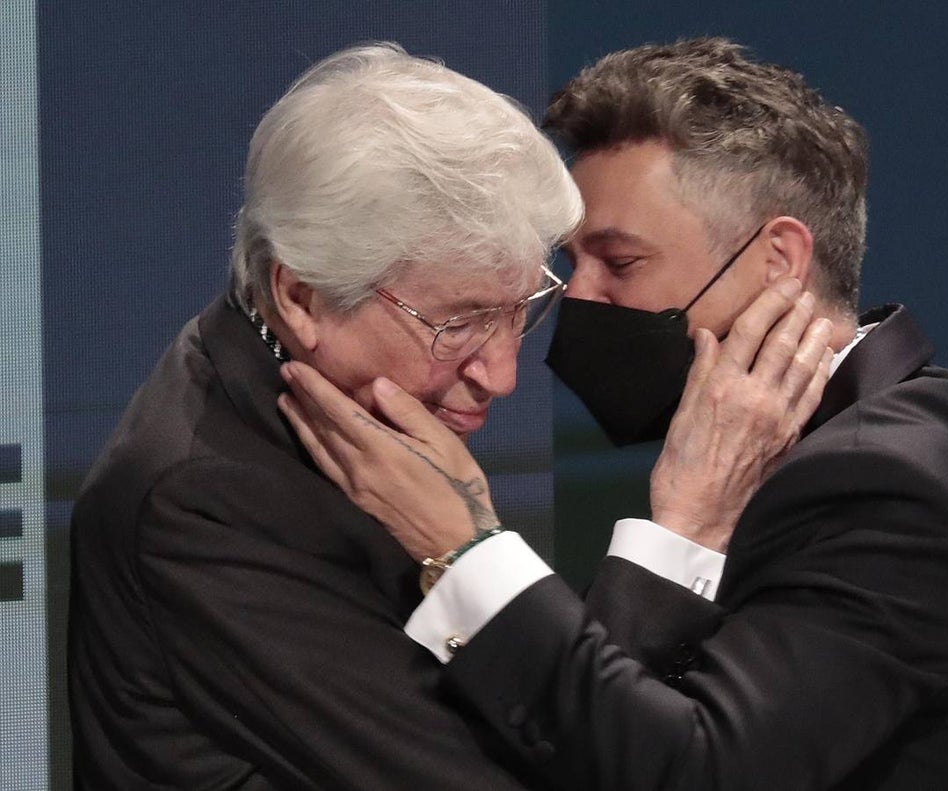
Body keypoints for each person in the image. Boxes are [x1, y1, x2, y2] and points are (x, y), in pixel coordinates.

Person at [279, 37, 948, 790]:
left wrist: (469, 549)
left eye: (620, 261)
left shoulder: (883, 488)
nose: (578, 297)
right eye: (571, 263)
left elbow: (688, 773)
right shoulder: (838, 447)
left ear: (778, 262)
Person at [67, 42, 589, 790]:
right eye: (461, 323)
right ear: (302, 297)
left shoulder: (332, 405)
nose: (501, 375)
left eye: (520, 310)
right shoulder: (204, 504)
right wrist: (473, 550)